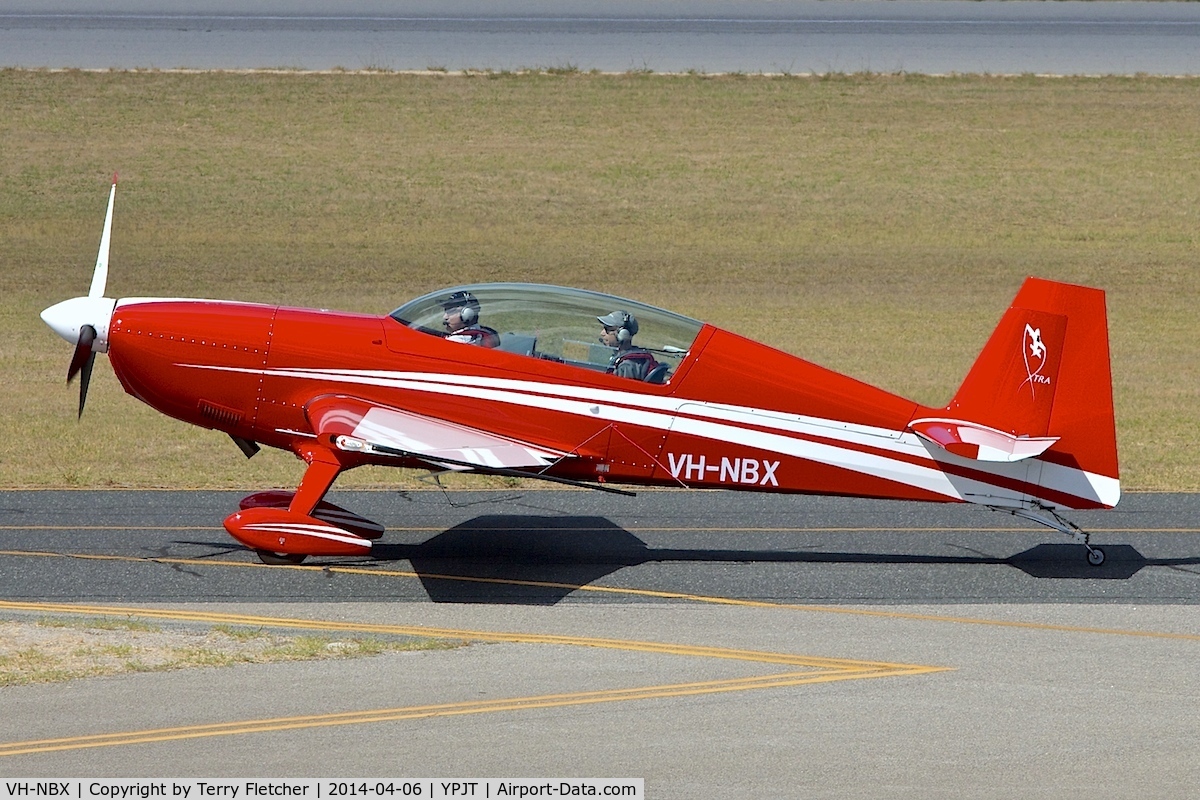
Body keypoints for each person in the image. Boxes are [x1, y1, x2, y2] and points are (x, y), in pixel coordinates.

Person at [597, 310, 660, 381]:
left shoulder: (626, 366)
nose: (602, 333)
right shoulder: (622, 357)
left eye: (607, 329)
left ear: (623, 334)